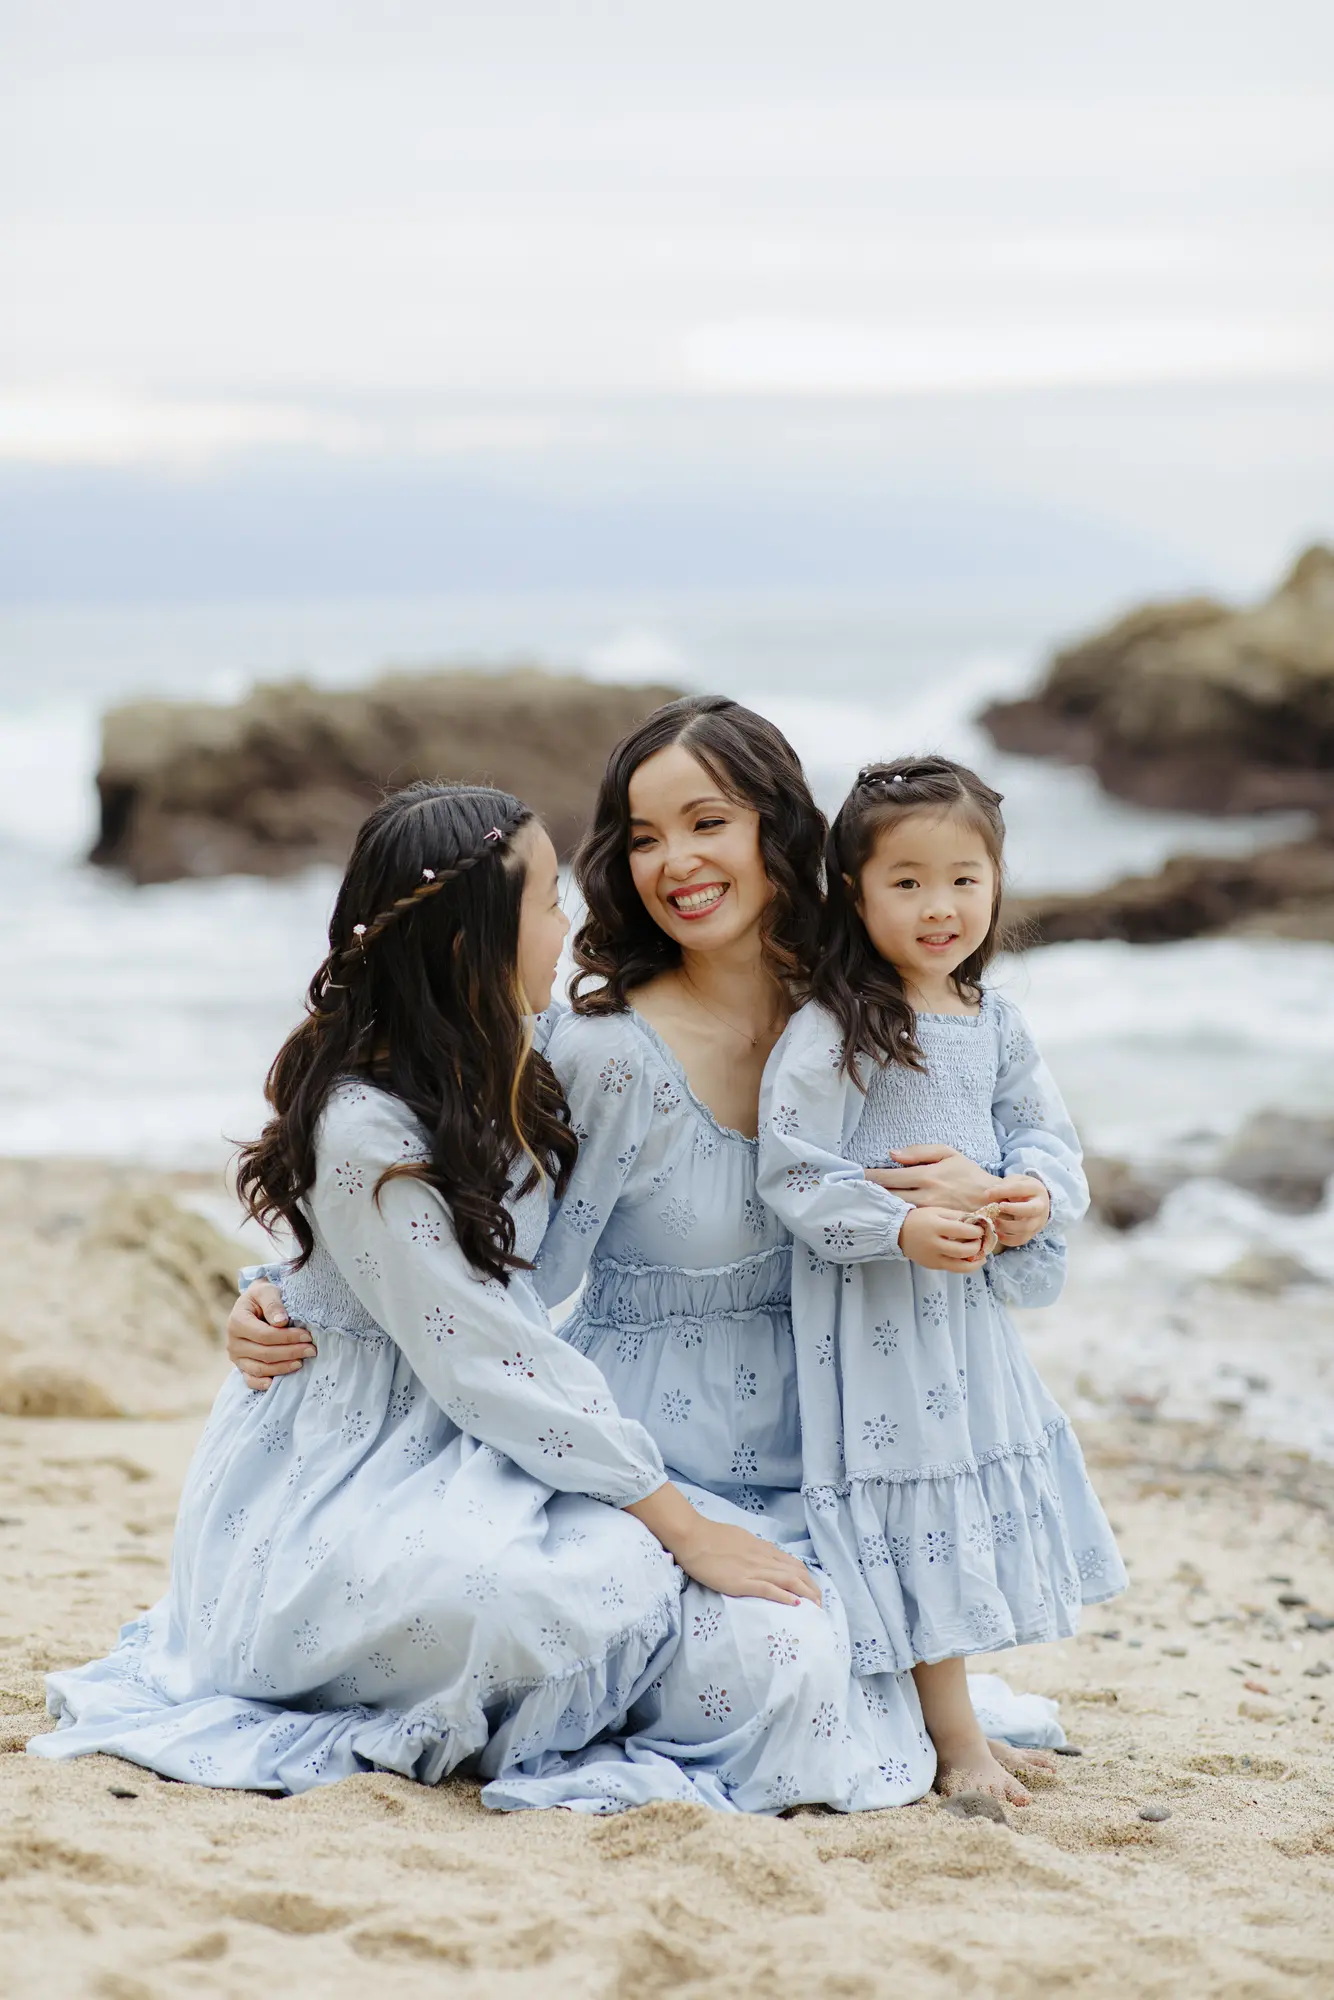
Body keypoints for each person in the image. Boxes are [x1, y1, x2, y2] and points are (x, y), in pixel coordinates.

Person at [234, 700, 1069, 1809]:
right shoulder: (600, 1051)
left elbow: (1011, 1156)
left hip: (849, 1448)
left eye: (705, 821)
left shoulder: (881, 1012)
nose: (673, 861)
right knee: (792, 1679)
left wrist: (1006, 1192)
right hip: (659, 1458)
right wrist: (284, 1301)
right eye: (639, 836)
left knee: (847, 1670)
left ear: (776, 827)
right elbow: (470, 1250)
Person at [30, 780, 820, 1799]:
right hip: (349, 1463)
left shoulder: (515, 1062)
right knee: (573, 1589)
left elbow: (498, 1287)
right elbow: (480, 1345)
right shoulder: (363, 1122)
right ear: (468, 944)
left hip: (470, 1431)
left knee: (673, 1601)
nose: (567, 921)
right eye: (544, 901)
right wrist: (680, 1520)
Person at [757, 755, 1126, 1803]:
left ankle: (949, 1718)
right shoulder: (837, 1026)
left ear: (996, 883)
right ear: (854, 891)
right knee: (911, 1508)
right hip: (877, 1313)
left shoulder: (993, 1019)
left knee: (958, 1499)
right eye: (906, 881)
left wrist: (1021, 1196)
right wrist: (898, 1223)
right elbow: (791, 1168)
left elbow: (1047, 1144)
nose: (940, 906)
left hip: (962, 1319)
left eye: (963, 878)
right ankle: (954, 1740)